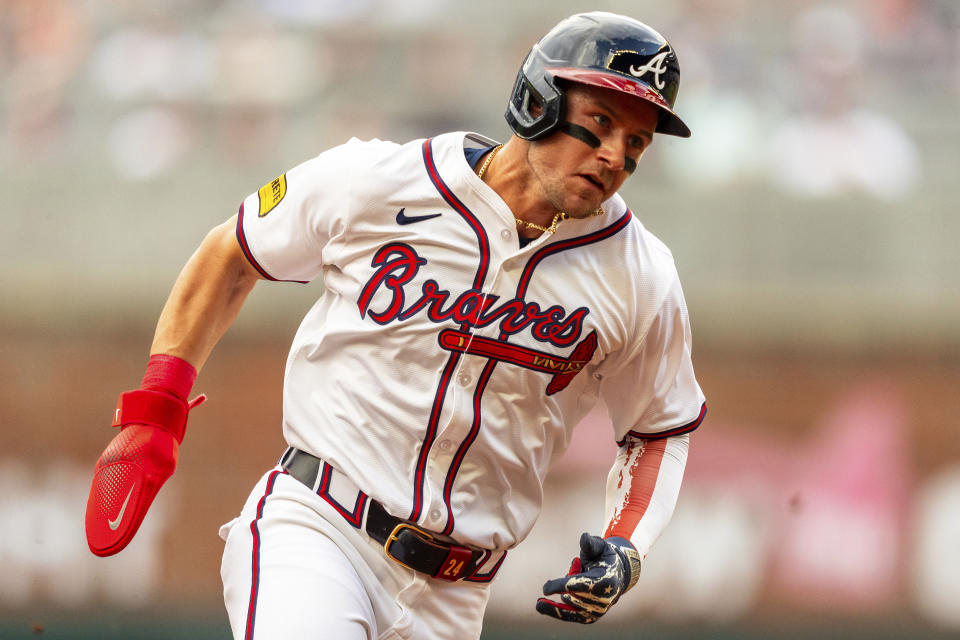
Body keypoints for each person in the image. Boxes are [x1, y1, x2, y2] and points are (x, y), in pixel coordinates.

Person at [85, 11, 706, 639]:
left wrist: (627, 544)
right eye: (601, 122)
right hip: (323, 529)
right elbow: (234, 252)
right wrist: (156, 408)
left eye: (635, 143)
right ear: (538, 98)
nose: (613, 155)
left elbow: (658, 428)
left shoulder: (640, 274)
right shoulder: (381, 180)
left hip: (458, 595)